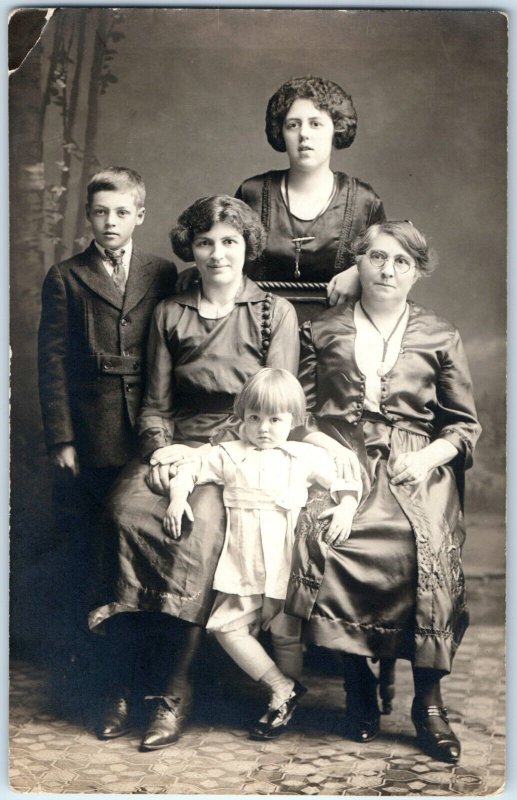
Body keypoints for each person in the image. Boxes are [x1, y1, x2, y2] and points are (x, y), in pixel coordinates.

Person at [89, 196, 300, 751]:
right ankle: (118, 684)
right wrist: (161, 452)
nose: (217, 253)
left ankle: (172, 691)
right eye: (205, 242)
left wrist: (216, 455)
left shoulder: (272, 313)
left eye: (230, 241)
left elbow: (278, 404)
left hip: (241, 450)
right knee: (124, 513)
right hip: (175, 444)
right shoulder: (171, 312)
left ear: (247, 247)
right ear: (191, 247)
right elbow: (154, 404)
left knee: (198, 531)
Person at [285, 221, 481, 763]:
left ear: (416, 272)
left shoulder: (439, 334)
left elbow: (462, 427)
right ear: (359, 263)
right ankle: (358, 686)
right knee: (333, 538)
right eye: (376, 257)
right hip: (341, 457)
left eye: (400, 261)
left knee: (424, 549)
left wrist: (426, 457)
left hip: (415, 464)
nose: (387, 269)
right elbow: (298, 413)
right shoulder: (322, 329)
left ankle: (428, 702)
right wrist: (326, 442)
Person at [37, 166, 177, 707]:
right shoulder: (66, 276)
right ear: (88, 216)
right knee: (93, 560)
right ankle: (101, 685)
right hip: (91, 439)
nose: (110, 222)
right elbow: (51, 364)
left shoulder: (162, 273)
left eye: (122, 212)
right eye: (100, 212)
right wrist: (61, 439)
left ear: (140, 214)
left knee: (141, 560)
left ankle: (145, 679)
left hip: (147, 434)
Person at [165, 368, 361, 741]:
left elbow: (343, 481)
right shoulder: (227, 453)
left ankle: (284, 703)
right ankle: (281, 686)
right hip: (243, 560)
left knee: (287, 635)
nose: (264, 428)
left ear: (294, 421)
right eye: (254, 418)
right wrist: (177, 498)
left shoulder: (303, 455)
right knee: (226, 626)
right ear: (241, 418)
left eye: (275, 419)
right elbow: (189, 468)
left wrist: (347, 506)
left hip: (287, 562)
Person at [235, 75, 386, 303]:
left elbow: (390, 262)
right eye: (293, 125)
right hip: (258, 327)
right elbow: (225, 253)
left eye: (315, 123)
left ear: (336, 129)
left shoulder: (364, 201)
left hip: (340, 331)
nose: (304, 134)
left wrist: (359, 270)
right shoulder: (252, 193)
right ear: (282, 132)